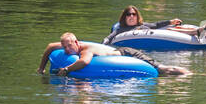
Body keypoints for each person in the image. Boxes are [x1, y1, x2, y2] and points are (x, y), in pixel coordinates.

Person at [38, 32, 191, 77]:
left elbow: (84, 63)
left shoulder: (85, 50)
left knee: (162, 70)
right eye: (64, 47)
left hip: (128, 54)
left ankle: (187, 73)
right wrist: (41, 68)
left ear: (76, 42)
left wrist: (66, 70)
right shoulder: (69, 47)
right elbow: (51, 46)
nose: (66, 50)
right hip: (119, 54)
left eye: (69, 46)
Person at [103, 5, 206, 40]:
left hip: (157, 34)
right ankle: (197, 32)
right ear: (124, 18)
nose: (131, 16)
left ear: (137, 16)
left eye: (134, 14)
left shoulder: (142, 25)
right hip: (148, 38)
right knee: (169, 30)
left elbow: (156, 25)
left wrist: (171, 21)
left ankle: (204, 32)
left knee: (171, 27)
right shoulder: (122, 29)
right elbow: (110, 37)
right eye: (128, 14)